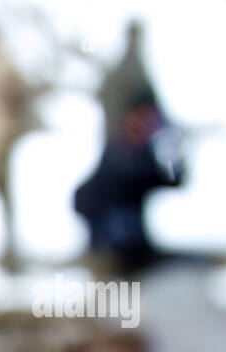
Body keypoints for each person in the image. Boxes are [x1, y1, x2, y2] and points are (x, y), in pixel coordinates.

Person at [73, 21, 183, 272]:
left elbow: (172, 181)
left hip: (135, 252)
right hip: (111, 250)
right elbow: (81, 199)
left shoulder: (143, 158)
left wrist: (176, 157)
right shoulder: (115, 158)